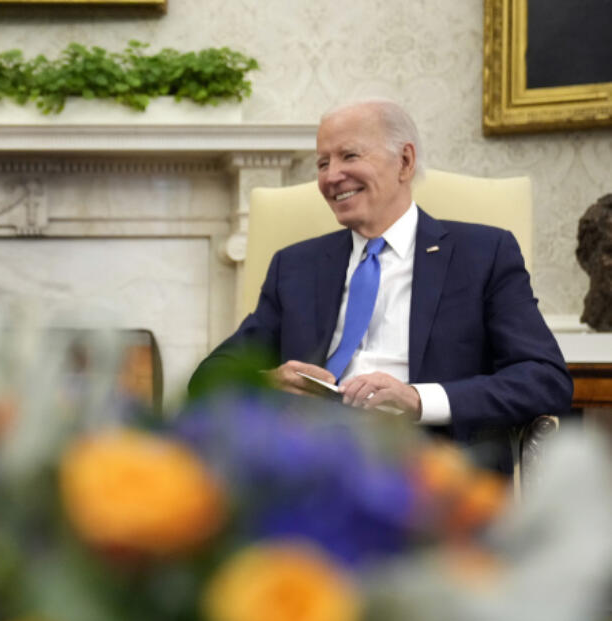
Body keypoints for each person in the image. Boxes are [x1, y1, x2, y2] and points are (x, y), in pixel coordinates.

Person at [190, 99, 571, 472]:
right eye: (322, 163)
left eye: (349, 156)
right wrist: (268, 382)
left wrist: (418, 399)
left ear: (404, 161)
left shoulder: (483, 254)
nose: (330, 176)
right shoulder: (295, 266)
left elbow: (544, 378)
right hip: (308, 462)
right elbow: (209, 377)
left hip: (431, 467)